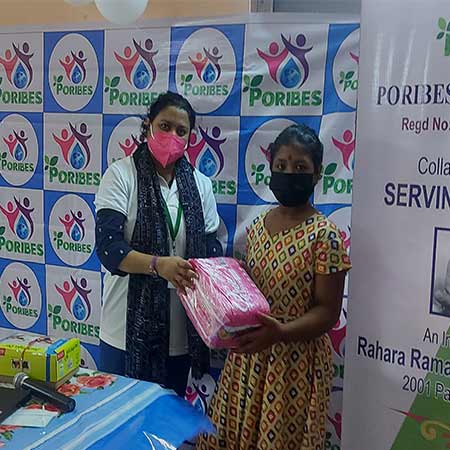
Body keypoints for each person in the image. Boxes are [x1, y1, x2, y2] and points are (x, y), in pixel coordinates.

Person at [197, 124, 351, 450]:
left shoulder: (326, 236)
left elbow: (328, 312)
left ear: (317, 174)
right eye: (281, 165)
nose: (289, 173)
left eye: (300, 167)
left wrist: (280, 332)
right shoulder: (257, 228)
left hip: (294, 363)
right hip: (250, 355)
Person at [95, 91, 222, 396]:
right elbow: (109, 249)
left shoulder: (201, 185)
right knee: (122, 419)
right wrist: (157, 265)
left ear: (189, 138)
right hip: (124, 333)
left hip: (181, 336)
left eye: (181, 131)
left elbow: (211, 250)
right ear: (148, 126)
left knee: (166, 422)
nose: (172, 136)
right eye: (165, 126)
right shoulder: (121, 175)